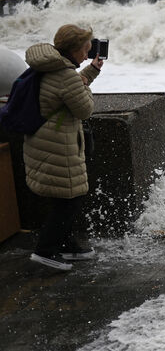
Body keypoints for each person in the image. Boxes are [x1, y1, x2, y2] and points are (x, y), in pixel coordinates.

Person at [25, 24, 103, 271]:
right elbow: (84, 108)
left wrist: (90, 72)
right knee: (68, 199)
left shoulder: (50, 66)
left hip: (44, 140)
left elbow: (66, 90)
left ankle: (66, 244)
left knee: (66, 197)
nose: (86, 55)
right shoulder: (65, 74)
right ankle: (45, 252)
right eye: (85, 50)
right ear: (73, 49)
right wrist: (86, 85)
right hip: (58, 144)